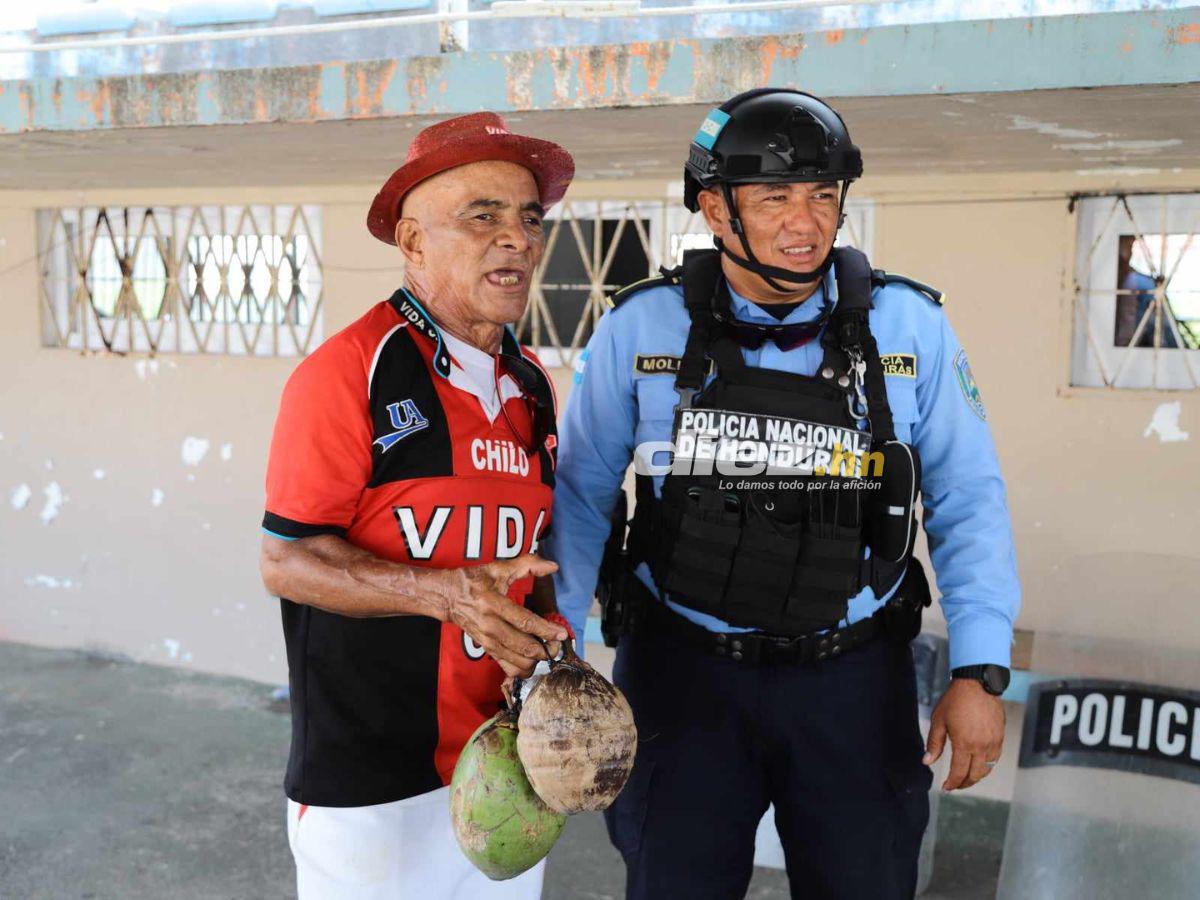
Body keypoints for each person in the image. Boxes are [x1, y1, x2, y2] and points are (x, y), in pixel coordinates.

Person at [548, 88, 1022, 899]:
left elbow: (966, 493)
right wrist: (555, 654)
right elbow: (581, 495)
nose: (806, 223)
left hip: (852, 678)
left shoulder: (909, 326)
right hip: (681, 677)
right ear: (715, 209)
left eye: (823, 196)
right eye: (775, 197)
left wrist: (981, 667)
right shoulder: (640, 326)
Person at [258, 112, 576, 900]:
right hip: (371, 787)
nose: (517, 239)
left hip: (506, 765)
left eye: (530, 219)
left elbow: (531, 559)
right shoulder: (348, 371)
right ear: (411, 242)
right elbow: (286, 560)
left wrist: (551, 660)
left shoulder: (532, 384)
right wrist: (443, 594)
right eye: (483, 216)